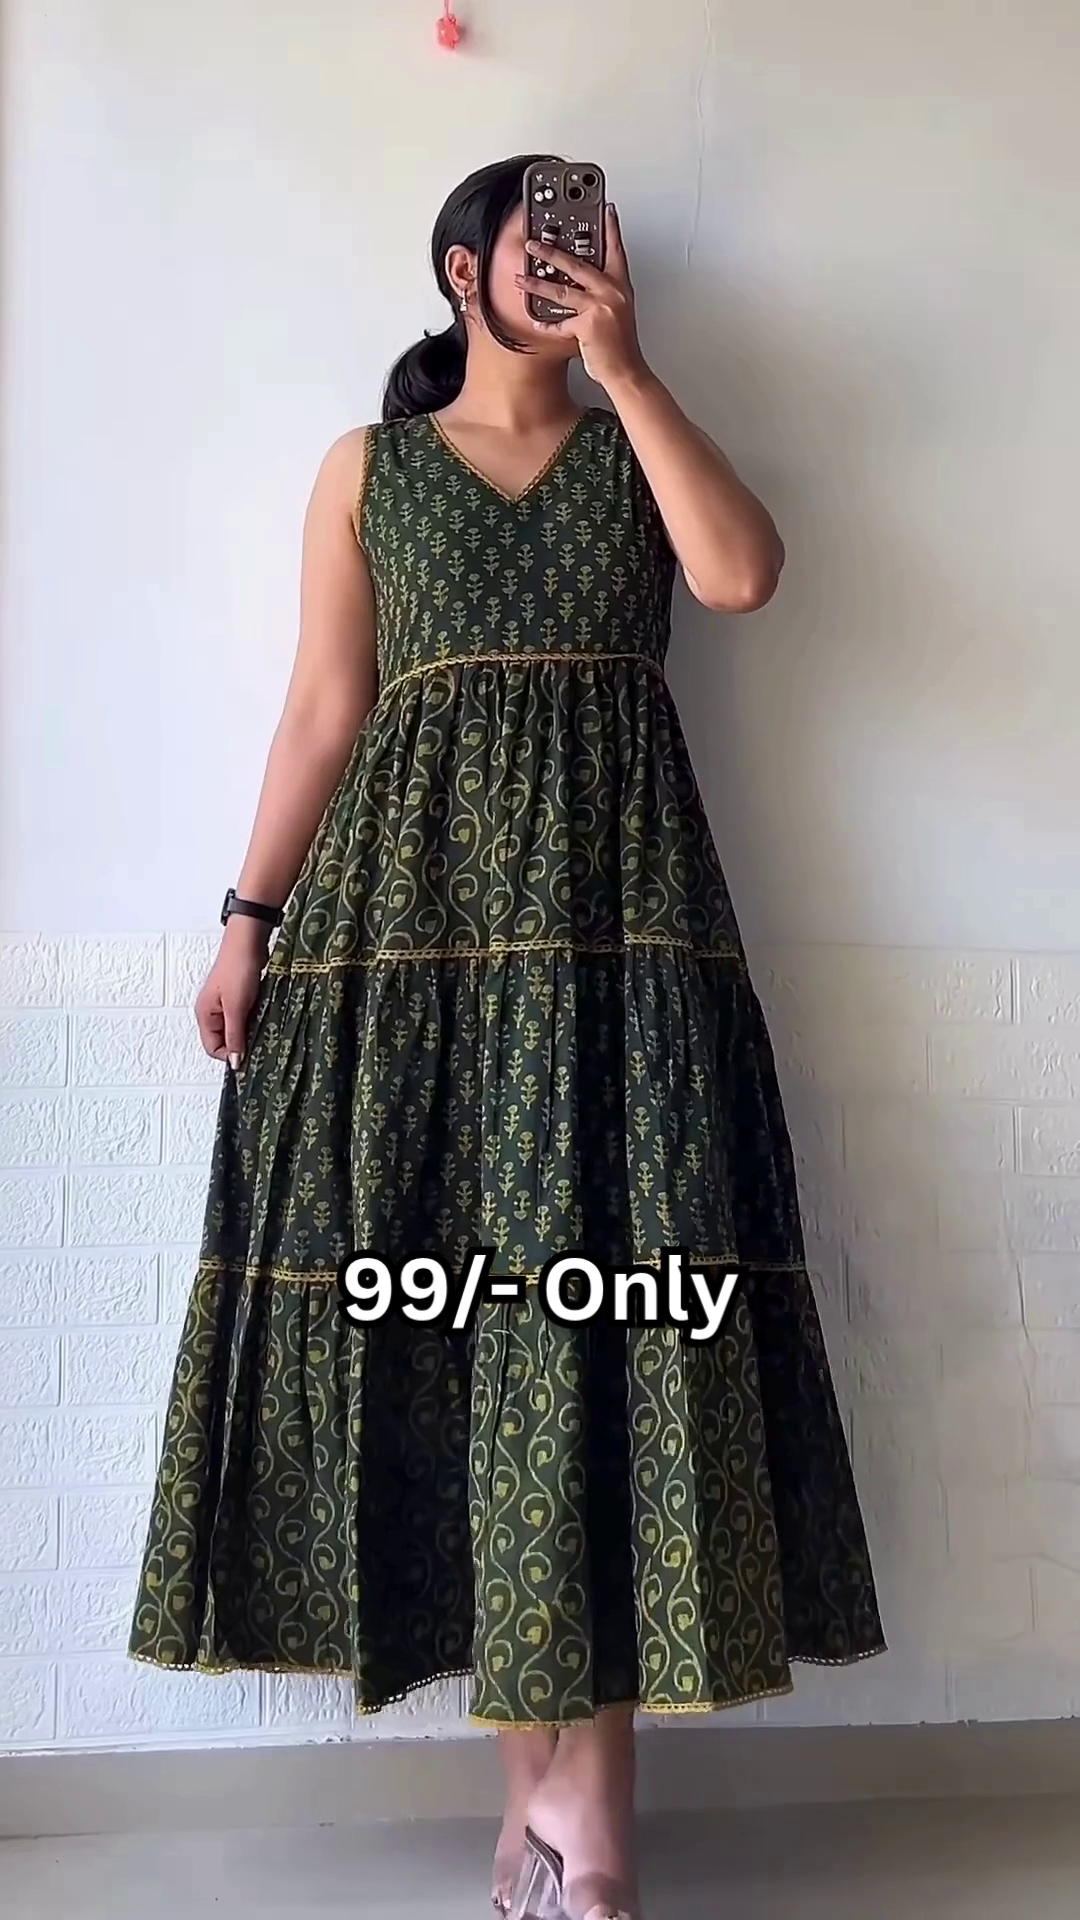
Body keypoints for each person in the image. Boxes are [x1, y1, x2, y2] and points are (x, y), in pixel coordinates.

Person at [129, 154, 884, 1920]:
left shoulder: (639, 441)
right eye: (538, 242)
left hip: (620, 947)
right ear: (464, 270)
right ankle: (540, 1808)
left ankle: (583, 1821)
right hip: (407, 946)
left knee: (606, 1330)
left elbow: (743, 576)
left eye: (588, 239)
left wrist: (631, 365)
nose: (566, 262)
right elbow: (325, 708)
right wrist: (246, 918)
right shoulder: (368, 468)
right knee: (456, 1326)